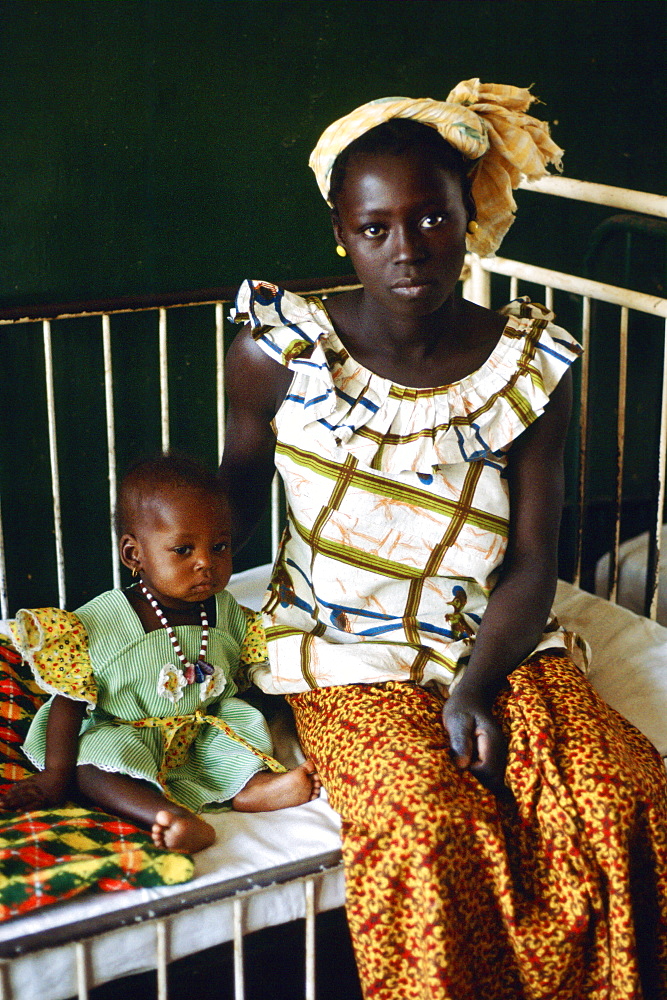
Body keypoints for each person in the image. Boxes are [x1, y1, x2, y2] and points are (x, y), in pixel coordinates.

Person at [220, 79, 667, 998]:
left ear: (472, 217)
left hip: (495, 634)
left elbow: (536, 560)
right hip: (340, 643)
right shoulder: (278, 353)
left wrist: (477, 683)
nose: (406, 249)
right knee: (424, 824)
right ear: (340, 233)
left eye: (431, 219)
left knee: (623, 790)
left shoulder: (526, 365)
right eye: (373, 228)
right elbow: (225, 512)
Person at [0, 455, 320, 853]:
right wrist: (55, 774)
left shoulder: (227, 612)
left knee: (240, 735)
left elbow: (256, 666)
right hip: (129, 732)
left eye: (219, 546)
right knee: (92, 762)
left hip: (203, 730)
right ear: (135, 556)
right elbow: (68, 703)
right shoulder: (100, 623)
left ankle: (253, 789)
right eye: (183, 549)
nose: (206, 563)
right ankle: (168, 817)